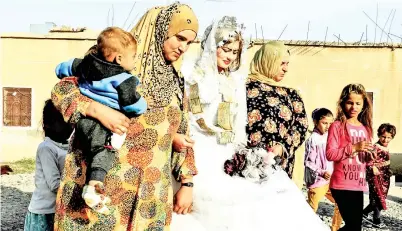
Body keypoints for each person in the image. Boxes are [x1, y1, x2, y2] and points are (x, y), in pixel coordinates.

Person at [171, 19, 329, 231]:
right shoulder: (193, 76)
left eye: (234, 52)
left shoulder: (234, 81)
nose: (229, 56)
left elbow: (239, 127)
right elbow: (185, 121)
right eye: (225, 49)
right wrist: (186, 178)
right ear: (212, 46)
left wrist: (248, 157)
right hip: (199, 155)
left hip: (231, 154)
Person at [52, 3, 199, 230]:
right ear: (160, 30)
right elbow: (62, 90)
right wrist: (96, 110)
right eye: (179, 38)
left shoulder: (175, 80)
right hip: (106, 183)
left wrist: (187, 182)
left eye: (189, 42)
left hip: (150, 194)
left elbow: (183, 130)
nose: (183, 48)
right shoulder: (117, 61)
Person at [55, 27, 147, 214]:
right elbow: (133, 105)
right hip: (104, 127)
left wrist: (61, 69)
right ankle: (94, 187)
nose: (136, 60)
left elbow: (62, 69)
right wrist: (143, 104)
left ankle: (95, 194)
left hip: (83, 123)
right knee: (106, 151)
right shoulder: (124, 79)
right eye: (134, 56)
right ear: (119, 59)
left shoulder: (85, 65)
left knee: (95, 151)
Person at [246, 41, 308, 178]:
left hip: (279, 165)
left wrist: (282, 147)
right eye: (282, 63)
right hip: (247, 163)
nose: (286, 69)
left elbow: (301, 125)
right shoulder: (243, 88)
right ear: (268, 61)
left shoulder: (291, 94)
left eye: (287, 64)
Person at [326, 83, 375, 231]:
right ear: (343, 103)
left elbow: (364, 160)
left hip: (358, 184)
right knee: (353, 227)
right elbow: (330, 154)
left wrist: (369, 157)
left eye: (358, 103)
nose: (354, 107)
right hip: (341, 184)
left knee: (355, 227)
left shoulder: (365, 128)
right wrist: (354, 147)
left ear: (364, 105)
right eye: (350, 103)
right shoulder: (337, 126)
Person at [24, 99, 73, 231]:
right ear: (49, 124)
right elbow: (54, 184)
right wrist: (76, 193)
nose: (70, 125)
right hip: (44, 212)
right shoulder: (46, 148)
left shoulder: (68, 148)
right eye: (64, 121)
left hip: (58, 209)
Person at [304, 108, 343, 231]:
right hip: (317, 181)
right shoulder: (313, 139)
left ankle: (335, 229)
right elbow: (308, 162)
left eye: (330, 123)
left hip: (331, 180)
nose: (328, 126)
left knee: (342, 203)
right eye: (324, 123)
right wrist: (321, 172)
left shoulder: (330, 136)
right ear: (316, 122)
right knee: (310, 211)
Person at [363, 123, 396, 229]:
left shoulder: (385, 147)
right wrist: (372, 167)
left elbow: (384, 161)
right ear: (379, 135)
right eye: (383, 137)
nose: (386, 140)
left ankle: (364, 212)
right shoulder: (375, 147)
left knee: (380, 197)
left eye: (389, 137)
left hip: (385, 177)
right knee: (378, 198)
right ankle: (376, 220)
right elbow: (367, 161)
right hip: (375, 177)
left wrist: (388, 169)